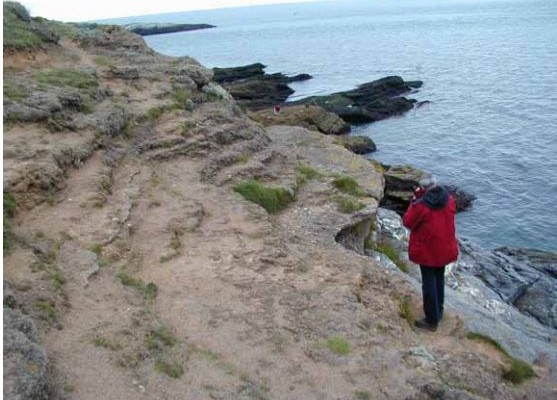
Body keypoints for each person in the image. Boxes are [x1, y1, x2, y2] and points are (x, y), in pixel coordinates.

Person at [403, 174, 458, 332]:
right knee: (438, 278)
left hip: (427, 249)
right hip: (445, 247)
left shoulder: (421, 206)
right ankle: (438, 311)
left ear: (424, 188)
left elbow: (408, 222)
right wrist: (422, 196)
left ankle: (431, 320)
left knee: (428, 283)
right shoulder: (449, 199)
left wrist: (414, 201)